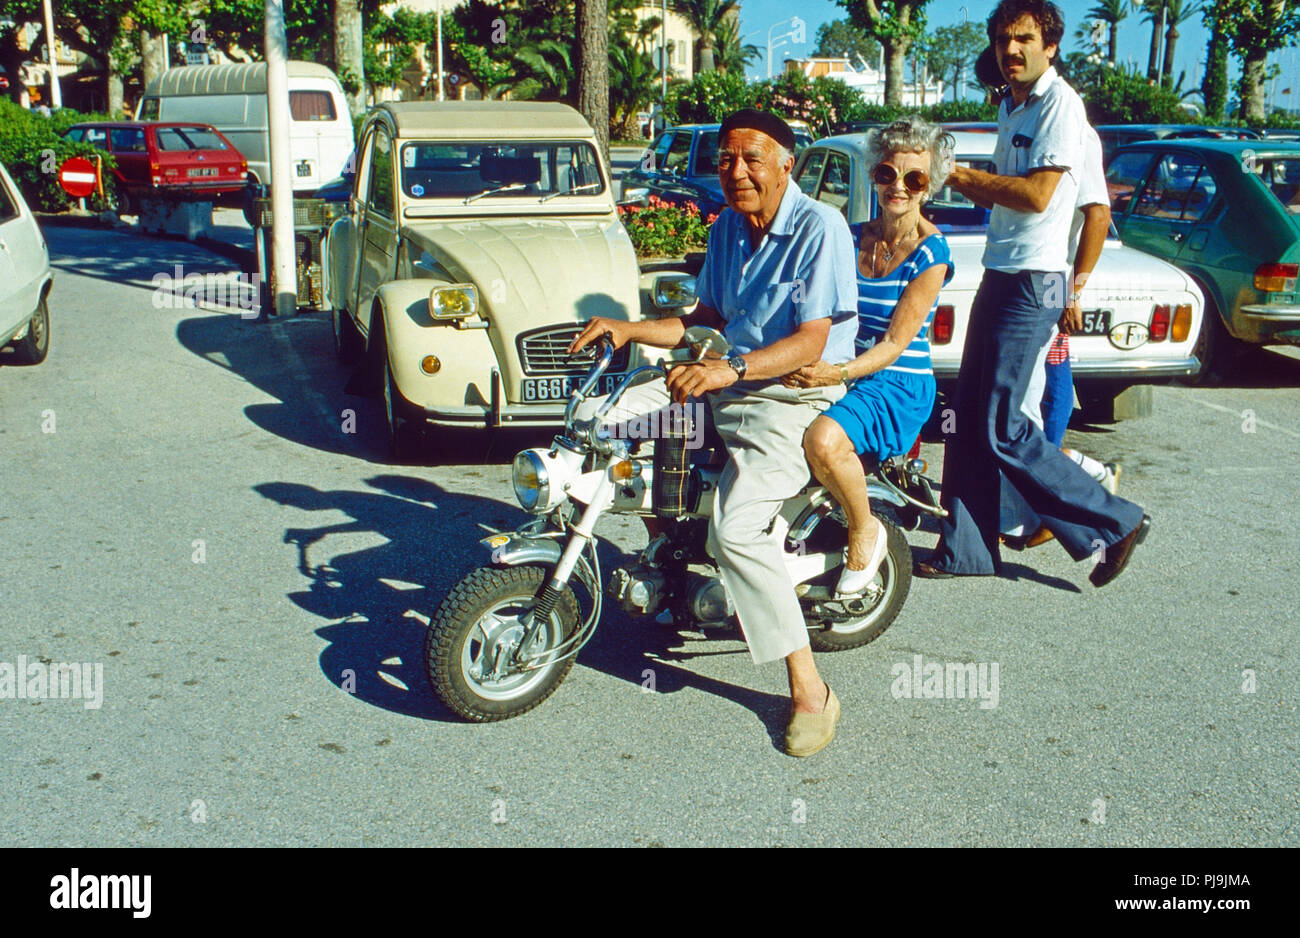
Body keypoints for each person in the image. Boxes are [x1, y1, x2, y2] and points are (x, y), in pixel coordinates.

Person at [569, 108, 860, 757]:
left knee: (737, 528)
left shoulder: (821, 227)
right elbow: (705, 317)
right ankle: (668, 560)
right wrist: (627, 328)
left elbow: (811, 339)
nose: (735, 170)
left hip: (788, 395)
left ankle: (810, 690)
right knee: (596, 417)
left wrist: (729, 369)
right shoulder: (728, 225)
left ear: (788, 163)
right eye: (727, 157)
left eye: (751, 157)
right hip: (718, 376)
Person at [918, 0, 1149, 587]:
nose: (1010, 50)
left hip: (1032, 282)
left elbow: (1040, 194)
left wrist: (956, 175)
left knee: (1002, 425)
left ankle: (1113, 520)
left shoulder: (1060, 107)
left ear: (1050, 46)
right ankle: (966, 549)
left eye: (1023, 39)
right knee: (969, 419)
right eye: (1001, 40)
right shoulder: (1013, 105)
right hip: (1003, 272)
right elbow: (1010, 196)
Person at [785, 117, 955, 597]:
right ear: (873, 175)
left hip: (896, 382)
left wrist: (833, 372)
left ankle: (865, 530)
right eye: (887, 173)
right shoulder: (850, 234)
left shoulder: (931, 254)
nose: (898, 186)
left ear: (929, 186)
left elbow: (895, 344)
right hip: (848, 369)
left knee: (822, 441)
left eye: (914, 178)